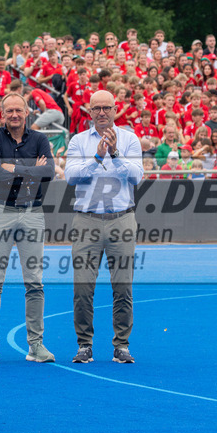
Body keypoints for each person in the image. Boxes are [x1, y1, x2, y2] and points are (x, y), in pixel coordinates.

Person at [64, 89, 142, 365]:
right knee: (83, 287)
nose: (101, 113)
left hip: (122, 217)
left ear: (115, 109)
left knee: (123, 287)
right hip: (87, 219)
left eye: (106, 108)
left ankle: (121, 345)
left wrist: (116, 153)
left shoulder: (130, 139)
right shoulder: (79, 141)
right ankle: (84, 344)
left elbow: (136, 176)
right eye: (96, 108)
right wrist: (96, 158)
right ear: (89, 111)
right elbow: (70, 177)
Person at [0, 93, 56, 363]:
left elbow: (49, 173)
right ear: (3, 114)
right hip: (0, 211)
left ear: (27, 113)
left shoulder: (40, 139)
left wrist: (12, 167)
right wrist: (30, 167)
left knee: (34, 282)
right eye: (9, 110)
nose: (14, 115)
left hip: (32, 212)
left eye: (18, 110)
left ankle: (36, 345)